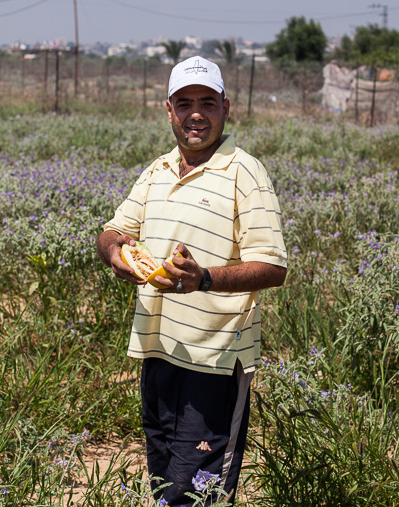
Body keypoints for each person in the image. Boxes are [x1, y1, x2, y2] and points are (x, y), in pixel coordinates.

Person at [96, 56, 287, 505]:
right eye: (184, 103)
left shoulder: (246, 173)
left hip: (215, 360)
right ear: (169, 110)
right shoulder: (157, 171)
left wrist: (203, 279)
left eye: (207, 102)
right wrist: (116, 255)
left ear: (226, 107)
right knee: (164, 480)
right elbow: (114, 230)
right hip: (158, 349)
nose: (195, 113)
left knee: (199, 491)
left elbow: (274, 267)